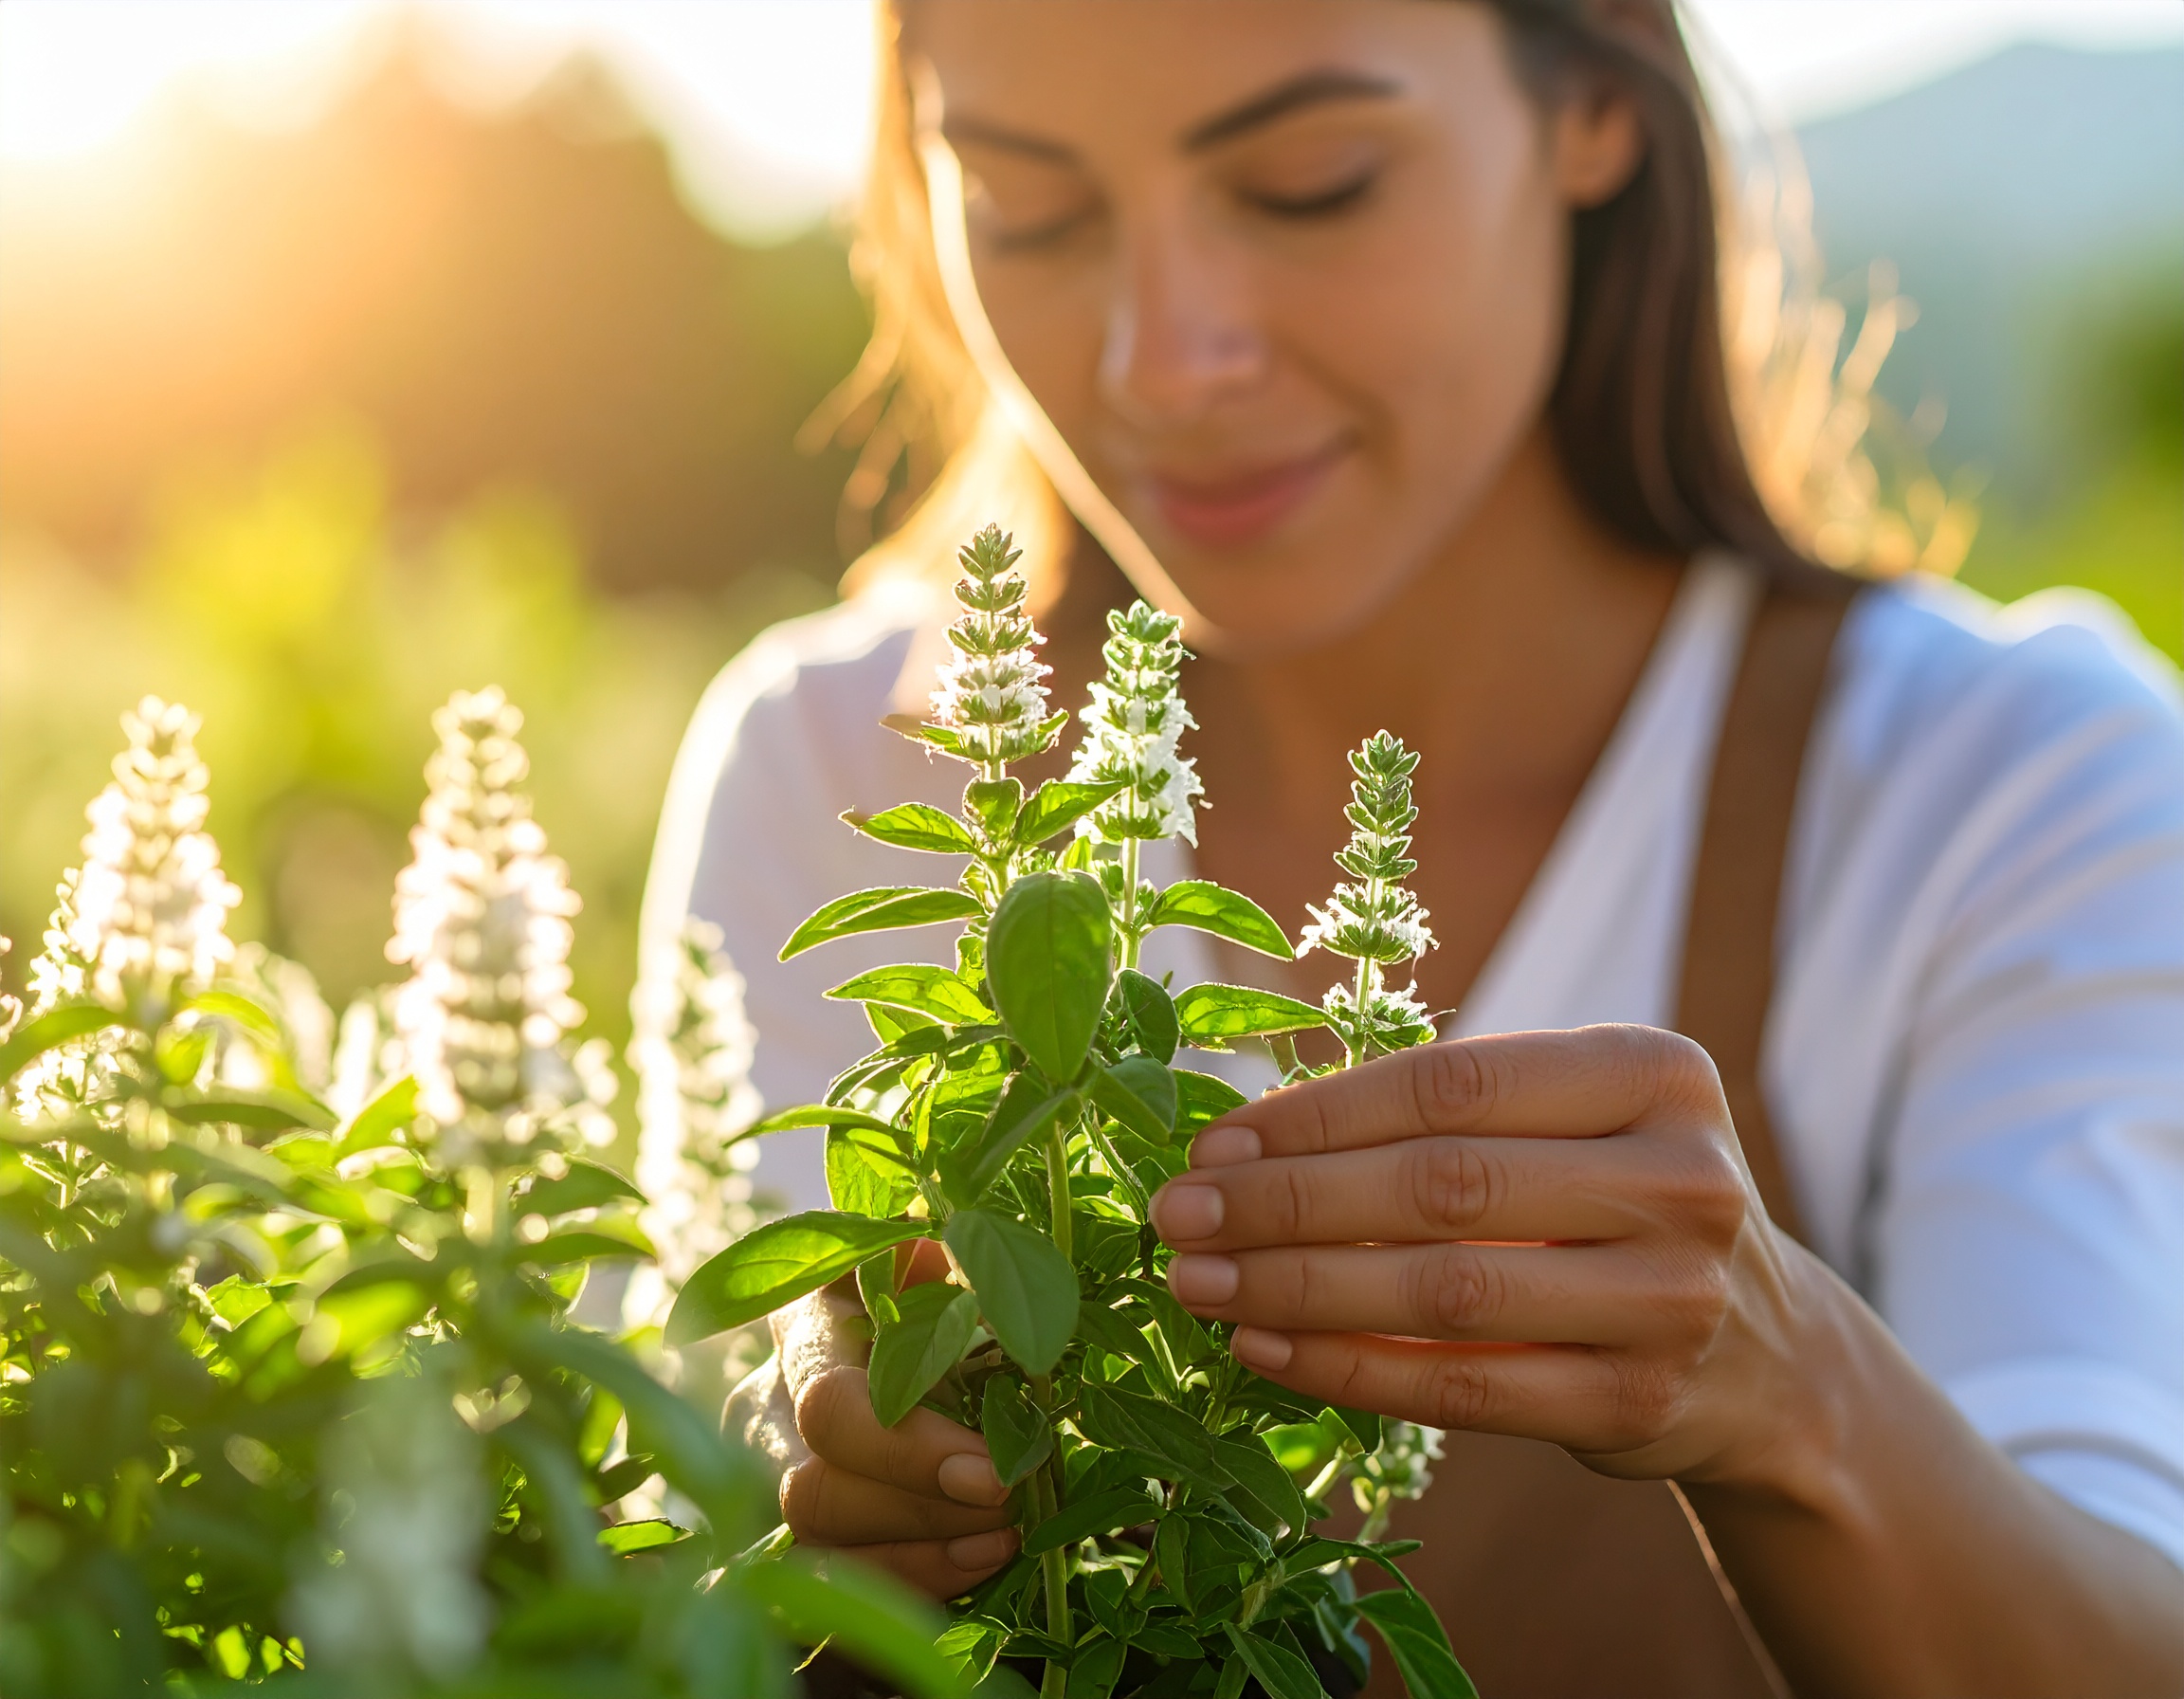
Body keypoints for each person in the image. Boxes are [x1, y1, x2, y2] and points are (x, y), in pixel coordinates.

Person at [638, 3, 2184, 1693]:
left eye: (1312, 184)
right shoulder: (838, 765)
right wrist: (802, 1515)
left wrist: (1790, 1389)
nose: (1165, 358)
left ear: (1592, 109)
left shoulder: (1998, 787)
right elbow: (645, 1551)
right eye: (1032, 209)